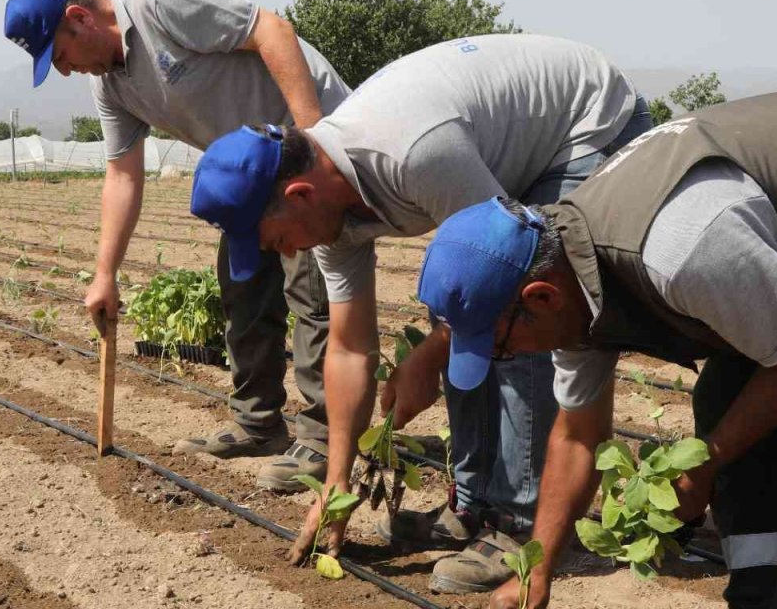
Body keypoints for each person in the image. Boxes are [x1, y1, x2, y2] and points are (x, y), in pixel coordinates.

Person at [416, 89, 777, 609]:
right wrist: (535, 569)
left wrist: (703, 470)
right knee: (725, 400)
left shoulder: (680, 249)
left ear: (539, 298)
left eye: (501, 348)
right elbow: (576, 435)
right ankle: (758, 596)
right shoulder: (566, 279)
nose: (506, 360)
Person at [187, 34, 652, 593]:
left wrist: (427, 358)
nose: (284, 253)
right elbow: (349, 347)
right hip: (501, 151)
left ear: (303, 193)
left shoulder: (414, 154)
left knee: (518, 320)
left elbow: (503, 274)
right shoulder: (328, 217)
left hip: (582, 123)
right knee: (461, 324)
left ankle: (523, 526)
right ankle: (475, 505)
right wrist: (335, 486)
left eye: (277, 238)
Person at [3, 0, 350, 491]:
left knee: (312, 295)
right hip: (248, 175)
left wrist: (316, 144)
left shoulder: (159, 0)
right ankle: (259, 423)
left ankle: (324, 438)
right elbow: (122, 174)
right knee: (242, 289)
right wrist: (104, 273)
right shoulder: (111, 85)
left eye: (60, 57)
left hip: (305, 148)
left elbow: (273, 31)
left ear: (78, 19)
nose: (68, 72)